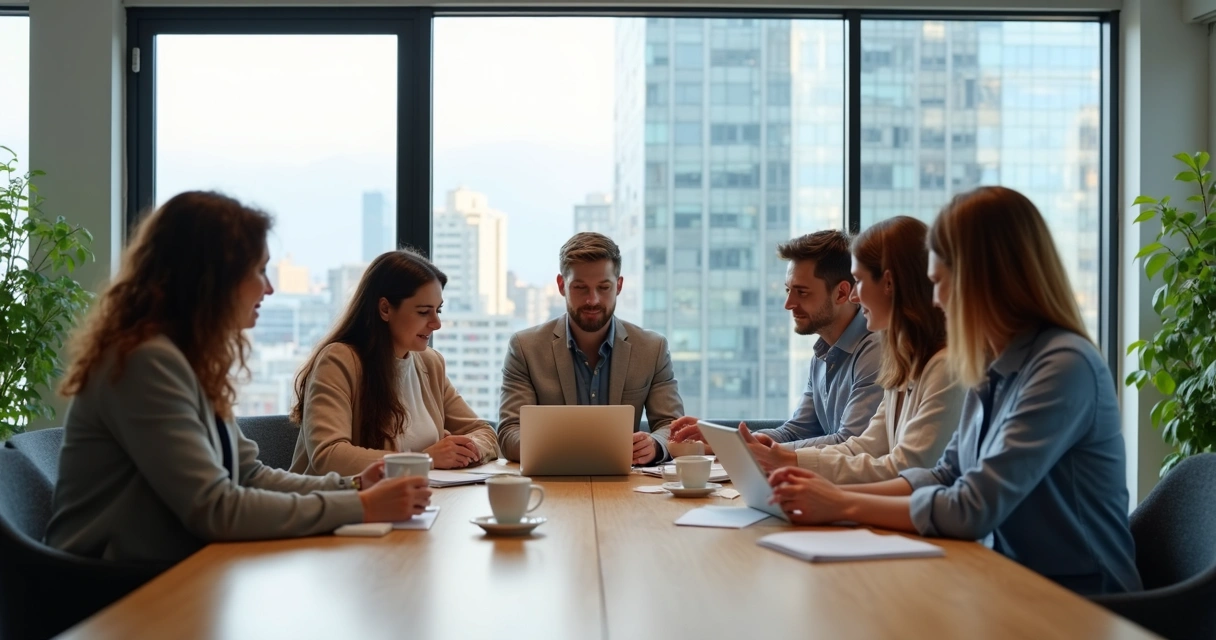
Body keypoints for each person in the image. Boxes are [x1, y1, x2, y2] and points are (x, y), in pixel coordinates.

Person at [768, 186, 1141, 596]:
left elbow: (971, 507)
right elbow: (944, 474)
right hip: (1008, 579)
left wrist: (841, 504)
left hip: (1081, 600)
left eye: (941, 282)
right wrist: (829, 496)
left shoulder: (1063, 366)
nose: (937, 299)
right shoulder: (994, 363)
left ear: (984, 280)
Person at [47, 191, 429, 566]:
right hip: (111, 592)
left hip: (176, 573)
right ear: (214, 277)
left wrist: (355, 485)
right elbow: (215, 509)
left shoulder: (188, 360)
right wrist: (359, 506)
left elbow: (248, 474)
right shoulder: (144, 362)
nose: (269, 287)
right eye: (260, 270)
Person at [734, 216, 964, 481]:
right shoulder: (903, 362)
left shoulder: (942, 367)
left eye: (859, 281)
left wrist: (827, 495)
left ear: (888, 284)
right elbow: (866, 447)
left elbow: (903, 469)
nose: (855, 296)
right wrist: (785, 457)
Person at [290, 249, 500, 476]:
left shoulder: (430, 363)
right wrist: (426, 459)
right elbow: (329, 457)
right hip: (340, 506)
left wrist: (466, 448)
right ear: (385, 309)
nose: (437, 323)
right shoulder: (338, 362)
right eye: (423, 312)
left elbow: (483, 431)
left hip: (415, 500)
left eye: (438, 310)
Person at [670, 230, 883, 451]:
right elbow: (795, 431)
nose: (788, 303)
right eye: (788, 290)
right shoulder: (822, 354)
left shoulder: (874, 351)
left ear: (841, 294)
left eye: (802, 292)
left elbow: (850, 443)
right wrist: (726, 440)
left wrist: (752, 449)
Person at [497, 232, 683, 464]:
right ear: (561, 285)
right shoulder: (525, 348)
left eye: (604, 287)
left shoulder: (652, 348)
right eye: (580, 287)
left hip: (627, 488)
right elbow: (509, 433)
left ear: (619, 285)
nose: (592, 300)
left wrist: (655, 445)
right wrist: (566, 450)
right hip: (552, 487)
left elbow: (673, 427)